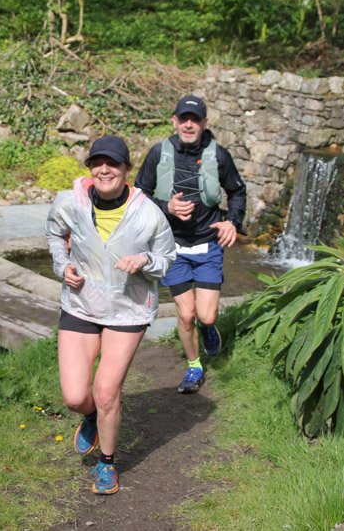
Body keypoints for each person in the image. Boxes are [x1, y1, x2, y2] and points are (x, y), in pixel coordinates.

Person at [45, 135, 176, 495]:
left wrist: (145, 260)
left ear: (126, 169)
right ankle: (90, 418)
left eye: (113, 163)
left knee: (105, 392)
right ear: (90, 168)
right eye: (97, 163)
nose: (104, 170)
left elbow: (167, 259)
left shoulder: (148, 213)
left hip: (128, 309)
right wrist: (63, 265)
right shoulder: (69, 202)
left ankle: (107, 462)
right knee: (75, 397)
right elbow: (55, 234)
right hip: (81, 304)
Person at [135, 95, 246, 394]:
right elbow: (138, 194)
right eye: (183, 118)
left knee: (206, 315)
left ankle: (208, 328)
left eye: (194, 120)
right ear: (174, 121)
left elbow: (237, 191)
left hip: (208, 244)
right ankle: (194, 367)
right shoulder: (158, 153)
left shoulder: (218, 155)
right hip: (171, 246)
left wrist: (232, 222)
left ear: (204, 123)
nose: (188, 124)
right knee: (186, 315)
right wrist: (166, 207)